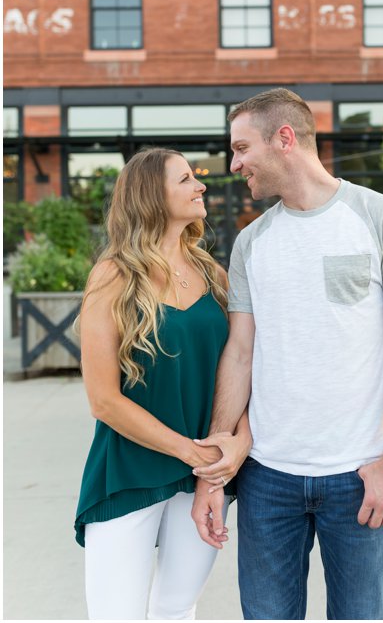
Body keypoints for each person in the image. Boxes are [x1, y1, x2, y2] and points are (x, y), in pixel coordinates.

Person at [190, 88, 383, 620]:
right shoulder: (252, 242)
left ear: (284, 140)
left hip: (360, 476)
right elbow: (239, 353)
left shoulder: (381, 217)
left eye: (240, 148)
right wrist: (214, 473)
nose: (233, 166)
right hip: (265, 479)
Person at [74, 147, 248, 619]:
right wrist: (189, 452)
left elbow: (243, 367)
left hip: (204, 477)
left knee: (177, 607)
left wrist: (233, 446)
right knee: (117, 614)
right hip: (129, 471)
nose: (202, 186)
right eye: (187, 179)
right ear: (152, 195)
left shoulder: (214, 276)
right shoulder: (112, 276)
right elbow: (103, 399)